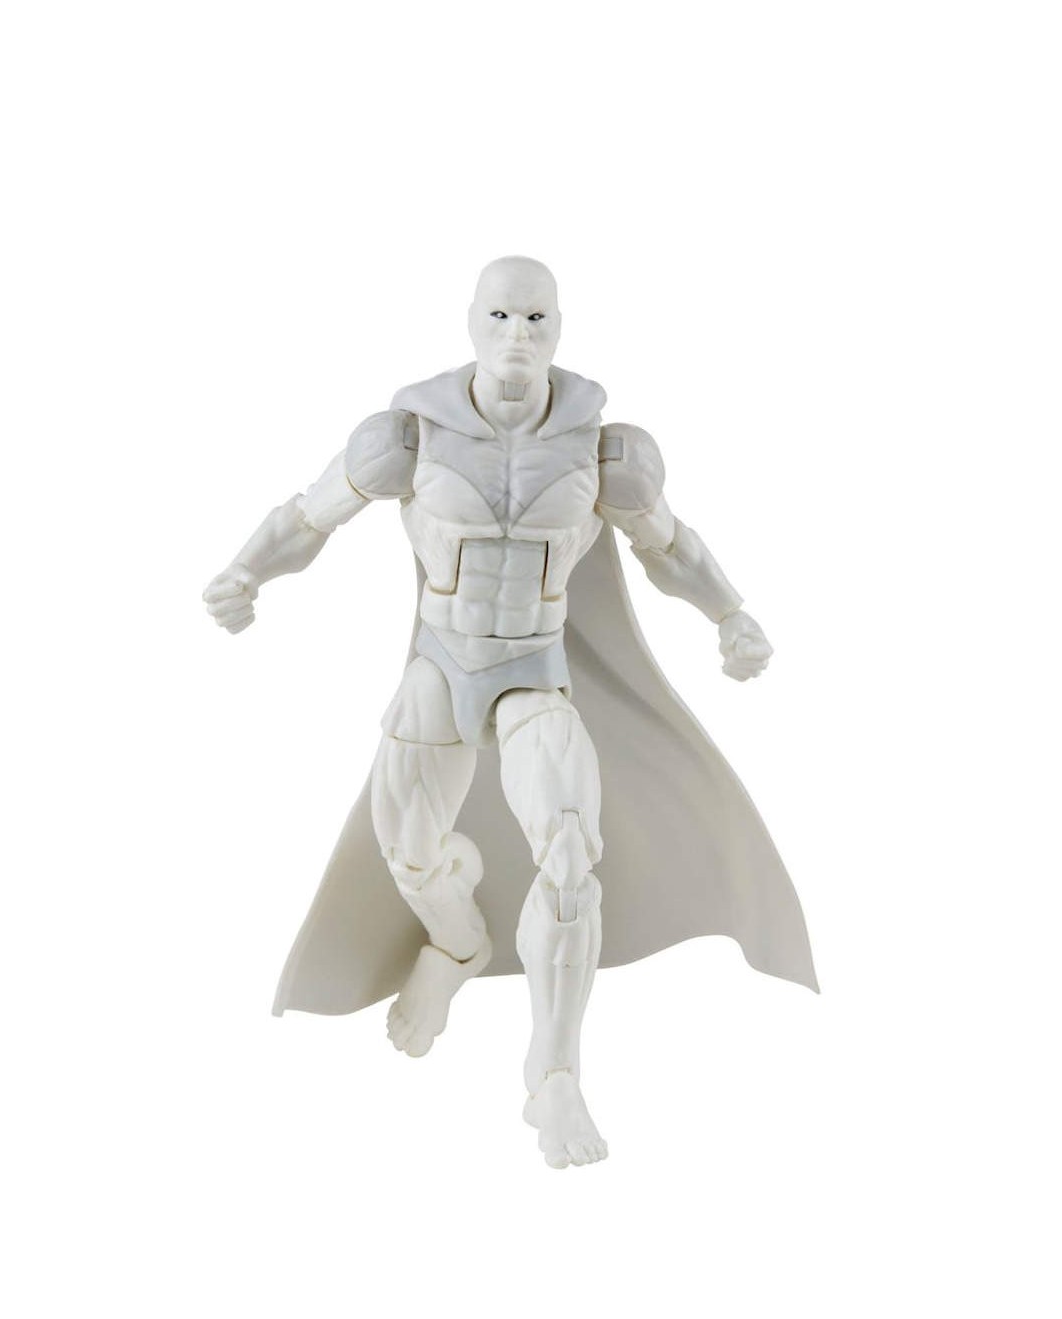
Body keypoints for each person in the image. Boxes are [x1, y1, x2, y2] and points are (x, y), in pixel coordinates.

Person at [204, 256, 813, 1168]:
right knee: (411, 856)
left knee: (569, 858)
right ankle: (455, 946)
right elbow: (308, 517)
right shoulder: (404, 439)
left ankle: (553, 1075)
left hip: (535, 672)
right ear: (472, 321)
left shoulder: (604, 453)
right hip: (441, 665)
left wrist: (732, 617)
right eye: (501, 316)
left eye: (535, 318)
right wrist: (244, 573)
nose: (518, 335)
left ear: (559, 327)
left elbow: (671, 548)